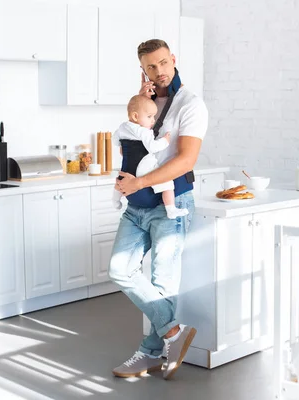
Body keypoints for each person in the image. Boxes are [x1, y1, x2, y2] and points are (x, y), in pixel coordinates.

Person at [108, 39, 208, 380]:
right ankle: (174, 334)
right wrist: (142, 105)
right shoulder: (143, 104)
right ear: (143, 70)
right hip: (136, 205)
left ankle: (151, 353)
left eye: (164, 63)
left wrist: (139, 182)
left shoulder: (191, 105)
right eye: (151, 66)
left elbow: (185, 159)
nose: (160, 71)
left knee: (161, 282)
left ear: (173, 59)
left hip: (171, 203)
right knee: (120, 269)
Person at [111, 94, 189, 220]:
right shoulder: (143, 131)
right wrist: (165, 140)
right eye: (149, 117)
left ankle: (115, 201)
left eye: (153, 116)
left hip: (127, 167)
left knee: (120, 182)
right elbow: (153, 147)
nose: (153, 120)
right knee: (166, 182)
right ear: (136, 116)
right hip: (144, 166)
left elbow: (115, 141)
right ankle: (171, 209)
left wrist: (122, 145)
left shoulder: (122, 127)